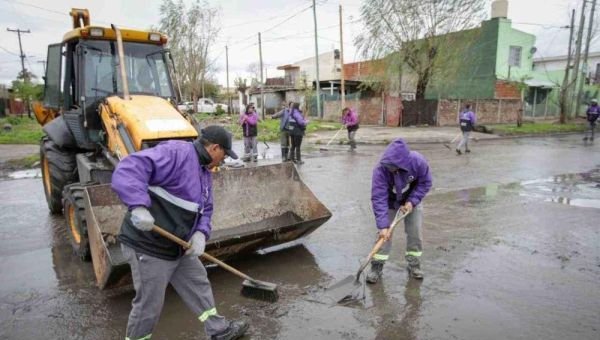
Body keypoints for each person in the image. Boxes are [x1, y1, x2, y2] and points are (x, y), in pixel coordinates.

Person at [111, 126, 249, 340]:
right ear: (214, 148)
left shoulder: (204, 172)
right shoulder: (176, 153)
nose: (223, 161)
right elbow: (129, 167)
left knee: (198, 282)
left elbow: (206, 209)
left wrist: (201, 233)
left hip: (178, 246)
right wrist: (138, 205)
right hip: (148, 246)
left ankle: (218, 330)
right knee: (149, 304)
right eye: (224, 155)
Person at [367, 138, 432, 283]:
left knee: (414, 231)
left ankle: (414, 264)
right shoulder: (381, 169)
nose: (391, 169)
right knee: (384, 235)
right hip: (390, 202)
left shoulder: (418, 162)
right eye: (389, 166)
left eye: (394, 167)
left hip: (411, 201)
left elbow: (425, 183)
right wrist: (383, 226)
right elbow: (378, 197)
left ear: (403, 163)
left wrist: (412, 201)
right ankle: (377, 265)